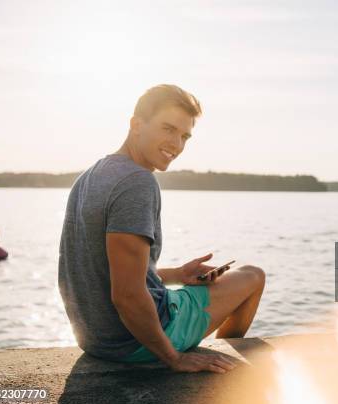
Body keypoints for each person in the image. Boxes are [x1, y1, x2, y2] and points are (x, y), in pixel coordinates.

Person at [58, 84, 265, 374]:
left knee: (219, 281)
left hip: (94, 340)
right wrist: (175, 359)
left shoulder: (89, 177)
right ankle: (226, 368)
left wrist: (177, 275)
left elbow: (101, 272)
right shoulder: (137, 182)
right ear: (136, 125)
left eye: (184, 136)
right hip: (135, 343)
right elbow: (127, 295)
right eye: (168, 129)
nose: (177, 145)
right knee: (253, 276)